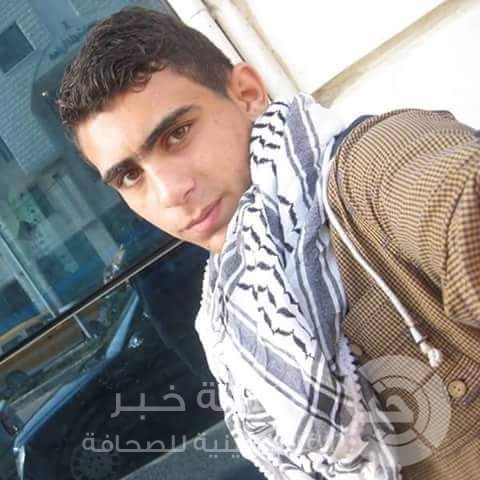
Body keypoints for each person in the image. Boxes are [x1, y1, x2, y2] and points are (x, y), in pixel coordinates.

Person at [57, 7, 479, 480]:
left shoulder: (370, 170)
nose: (170, 192)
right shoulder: (227, 320)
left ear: (248, 94)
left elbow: (453, 195)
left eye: (177, 134)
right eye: (131, 176)